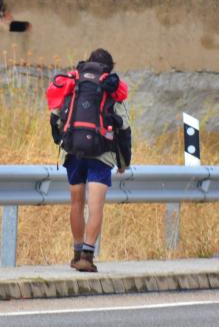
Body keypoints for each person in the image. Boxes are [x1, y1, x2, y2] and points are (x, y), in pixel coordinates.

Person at [46, 48, 132, 272]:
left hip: (74, 152)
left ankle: (76, 253)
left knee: (76, 203)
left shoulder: (75, 84)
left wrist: (62, 141)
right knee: (95, 206)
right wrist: (124, 162)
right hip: (101, 155)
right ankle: (87, 256)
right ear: (109, 68)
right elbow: (124, 129)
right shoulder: (111, 88)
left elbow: (55, 116)